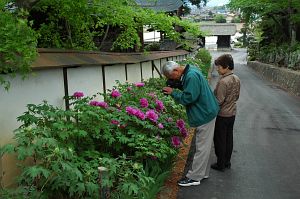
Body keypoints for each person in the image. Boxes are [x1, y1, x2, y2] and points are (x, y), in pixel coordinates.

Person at [162, 61, 219, 187]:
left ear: (176, 71)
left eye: (172, 77)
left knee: (201, 147)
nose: (173, 80)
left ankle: (194, 177)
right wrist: (179, 86)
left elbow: (189, 98)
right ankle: (202, 173)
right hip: (207, 111)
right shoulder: (190, 70)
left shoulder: (191, 76)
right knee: (205, 145)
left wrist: (173, 92)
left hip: (204, 113)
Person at [211, 54, 241, 172]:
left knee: (220, 140)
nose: (217, 69)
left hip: (222, 115)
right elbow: (237, 96)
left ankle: (220, 164)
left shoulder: (223, 81)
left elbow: (218, 101)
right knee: (229, 138)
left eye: (219, 67)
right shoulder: (237, 78)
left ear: (226, 67)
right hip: (232, 113)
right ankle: (227, 162)